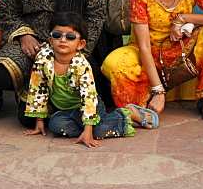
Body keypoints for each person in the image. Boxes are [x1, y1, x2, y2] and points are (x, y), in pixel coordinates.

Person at [25, 12, 154, 148]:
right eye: (57, 35)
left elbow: (88, 98)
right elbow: (38, 89)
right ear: (51, 40)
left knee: (96, 130)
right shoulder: (43, 60)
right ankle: (96, 125)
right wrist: (39, 121)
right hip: (67, 111)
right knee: (56, 125)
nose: (63, 40)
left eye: (70, 36)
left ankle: (127, 113)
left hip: (91, 105)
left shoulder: (82, 65)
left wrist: (88, 130)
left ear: (80, 44)